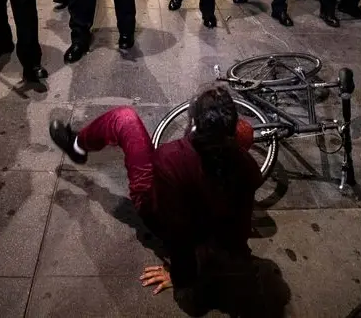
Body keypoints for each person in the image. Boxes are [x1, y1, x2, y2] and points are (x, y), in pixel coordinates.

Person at [47, 87, 260, 298]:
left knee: (124, 118)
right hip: (209, 217)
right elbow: (240, 220)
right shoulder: (246, 165)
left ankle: (76, 145)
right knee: (247, 132)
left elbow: (178, 229)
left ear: (194, 124)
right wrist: (231, 249)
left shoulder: (171, 159)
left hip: (158, 209)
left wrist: (180, 276)